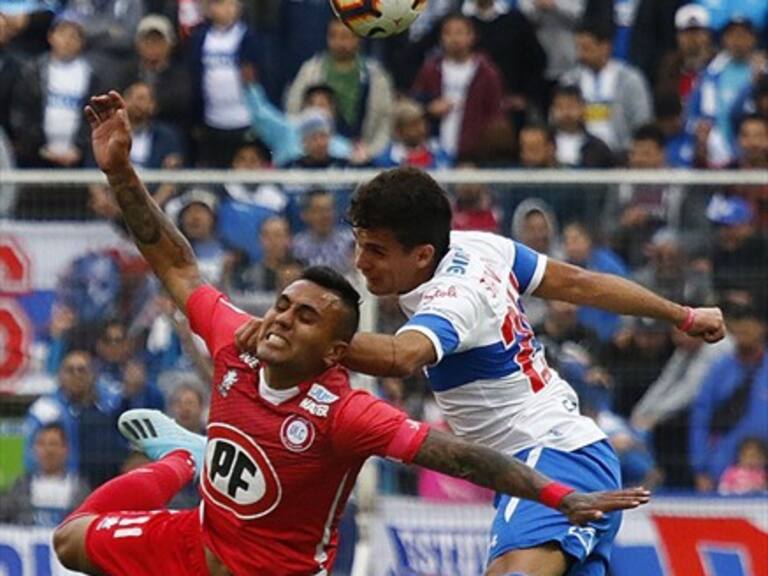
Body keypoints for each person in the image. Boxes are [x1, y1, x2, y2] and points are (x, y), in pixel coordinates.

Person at [53, 90, 649, 576]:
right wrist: (123, 173)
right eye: (284, 306)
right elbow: (177, 265)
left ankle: (200, 456)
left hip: (274, 570)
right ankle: (189, 461)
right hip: (194, 538)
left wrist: (558, 496)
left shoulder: (346, 413)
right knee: (69, 542)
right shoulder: (239, 340)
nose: (282, 319)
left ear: (336, 351)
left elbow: (464, 458)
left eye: (304, 317)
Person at [237, 166, 723, 575]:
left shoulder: (451, 300)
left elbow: (400, 357)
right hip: (551, 458)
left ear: (423, 254)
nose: (361, 263)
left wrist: (298, 336)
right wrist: (683, 314)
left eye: (377, 251)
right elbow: (580, 283)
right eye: (360, 244)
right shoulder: (483, 247)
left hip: (546, 455)